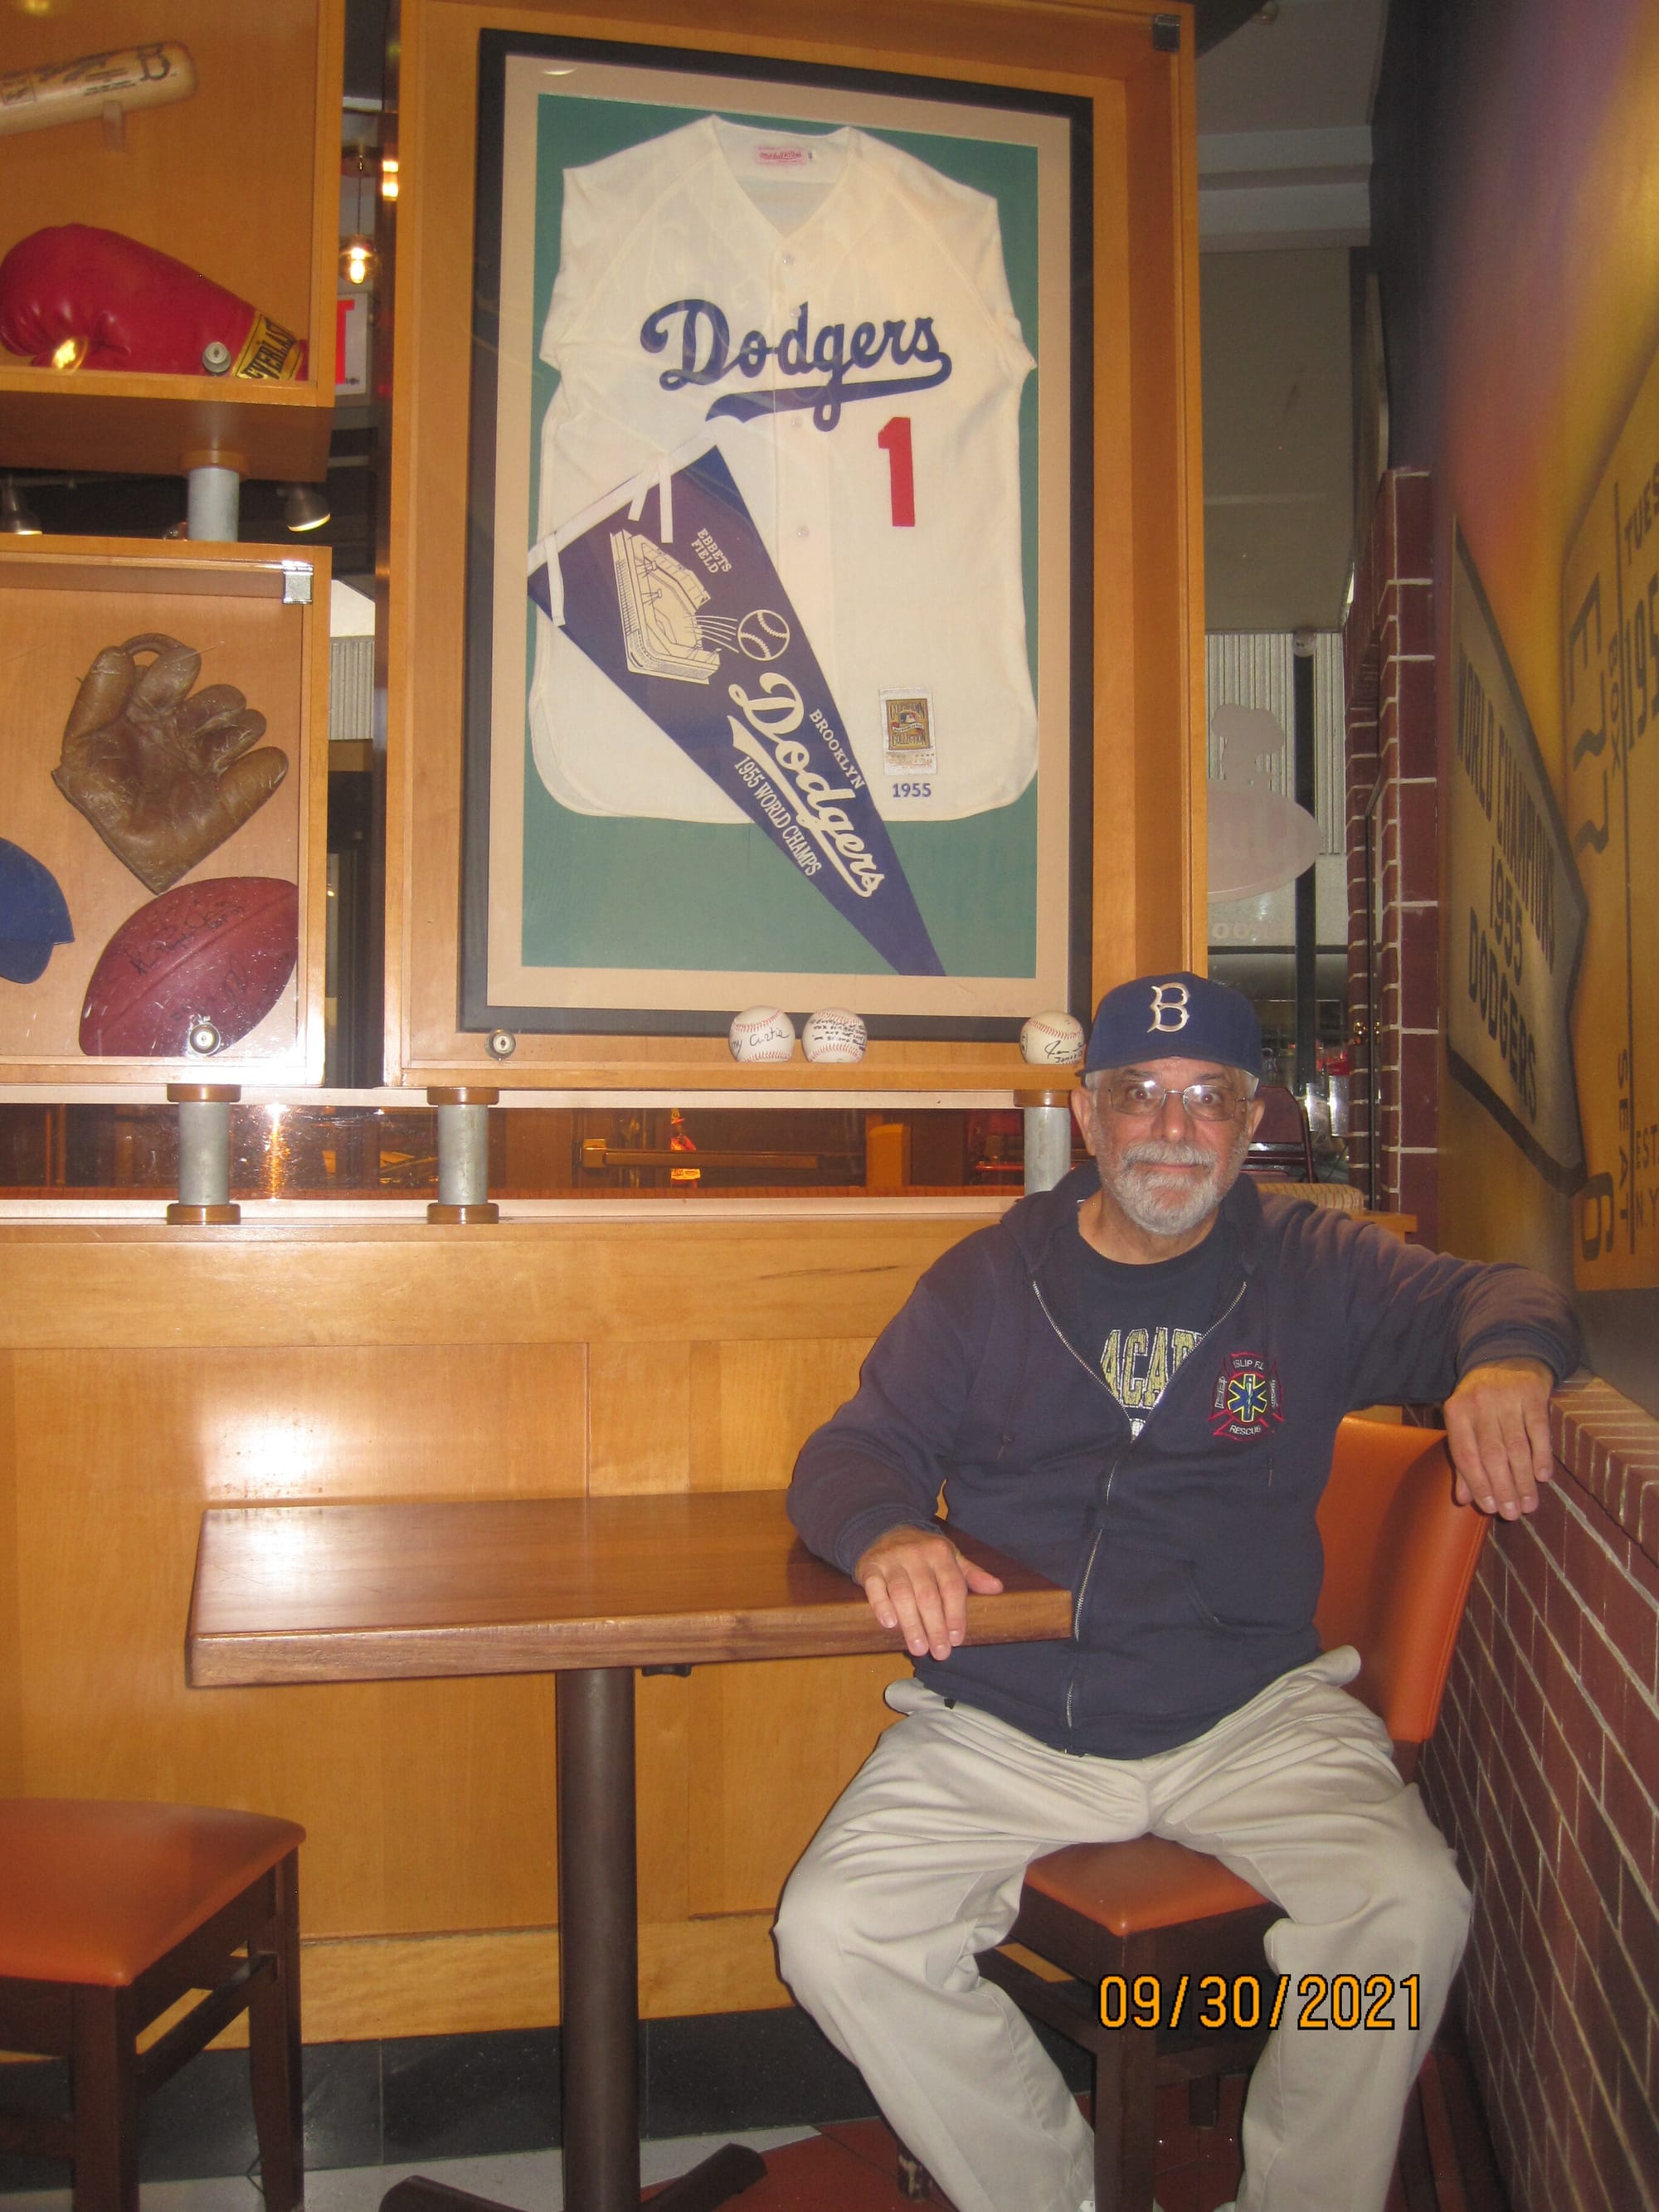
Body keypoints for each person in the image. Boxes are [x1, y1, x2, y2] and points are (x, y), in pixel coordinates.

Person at [776, 971, 1579, 2212]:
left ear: (1252, 1125)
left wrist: (1509, 1362)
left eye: (1209, 1100)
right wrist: (885, 1531)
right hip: (1010, 1720)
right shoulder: (989, 1282)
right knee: (833, 1932)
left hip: (1248, 1712)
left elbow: (1505, 1294)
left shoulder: (1316, 1265)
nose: (1172, 1127)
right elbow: (850, 1451)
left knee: (1408, 1919)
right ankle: (1058, 2195)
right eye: (1139, 1096)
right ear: (1088, 1119)